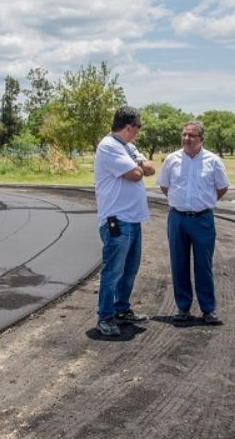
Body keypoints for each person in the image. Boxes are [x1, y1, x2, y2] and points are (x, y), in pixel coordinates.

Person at [157, 120, 229, 325]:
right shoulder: (171, 160)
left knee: (203, 265)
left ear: (201, 139)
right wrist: (179, 201)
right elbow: (164, 186)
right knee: (178, 263)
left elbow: (222, 188)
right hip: (177, 218)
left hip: (202, 220)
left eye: (191, 135)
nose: (187, 139)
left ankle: (208, 309)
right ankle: (183, 307)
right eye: (184, 135)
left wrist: (204, 201)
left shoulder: (213, 161)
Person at [93, 105, 156, 336]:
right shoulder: (109, 146)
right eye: (138, 127)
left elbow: (150, 168)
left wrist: (138, 164)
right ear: (129, 127)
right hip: (117, 220)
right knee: (113, 271)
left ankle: (121, 309)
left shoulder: (127, 147)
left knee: (130, 269)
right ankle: (105, 317)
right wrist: (139, 165)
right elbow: (137, 174)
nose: (139, 131)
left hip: (133, 218)